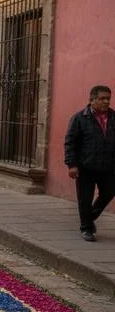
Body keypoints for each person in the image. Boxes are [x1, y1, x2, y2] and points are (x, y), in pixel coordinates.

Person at [64, 85, 115, 242]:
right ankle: (86, 228)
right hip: (86, 166)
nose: (106, 101)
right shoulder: (80, 118)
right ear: (92, 100)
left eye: (108, 98)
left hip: (108, 166)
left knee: (109, 192)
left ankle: (89, 217)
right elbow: (70, 142)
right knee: (84, 199)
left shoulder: (114, 117)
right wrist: (71, 164)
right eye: (102, 98)